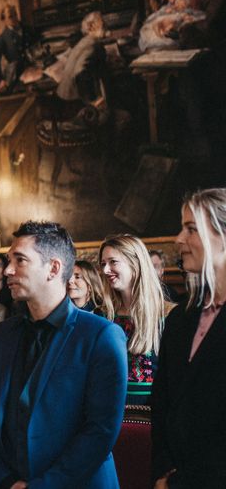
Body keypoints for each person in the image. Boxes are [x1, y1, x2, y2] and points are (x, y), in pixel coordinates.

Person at [0, 220, 127, 488]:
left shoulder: (100, 336)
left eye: (20, 260)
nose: (8, 270)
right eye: (8, 260)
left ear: (53, 268)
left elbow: (100, 430)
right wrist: (5, 480)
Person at [152, 188, 226, 488]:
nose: (179, 240)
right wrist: (162, 475)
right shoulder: (180, 318)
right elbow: (163, 407)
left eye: (191, 229)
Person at [100, 234, 170, 404]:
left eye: (113, 262)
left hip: (153, 411)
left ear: (135, 263)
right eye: (103, 264)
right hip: (109, 409)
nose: (105, 270)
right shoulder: (102, 315)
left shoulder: (168, 314)